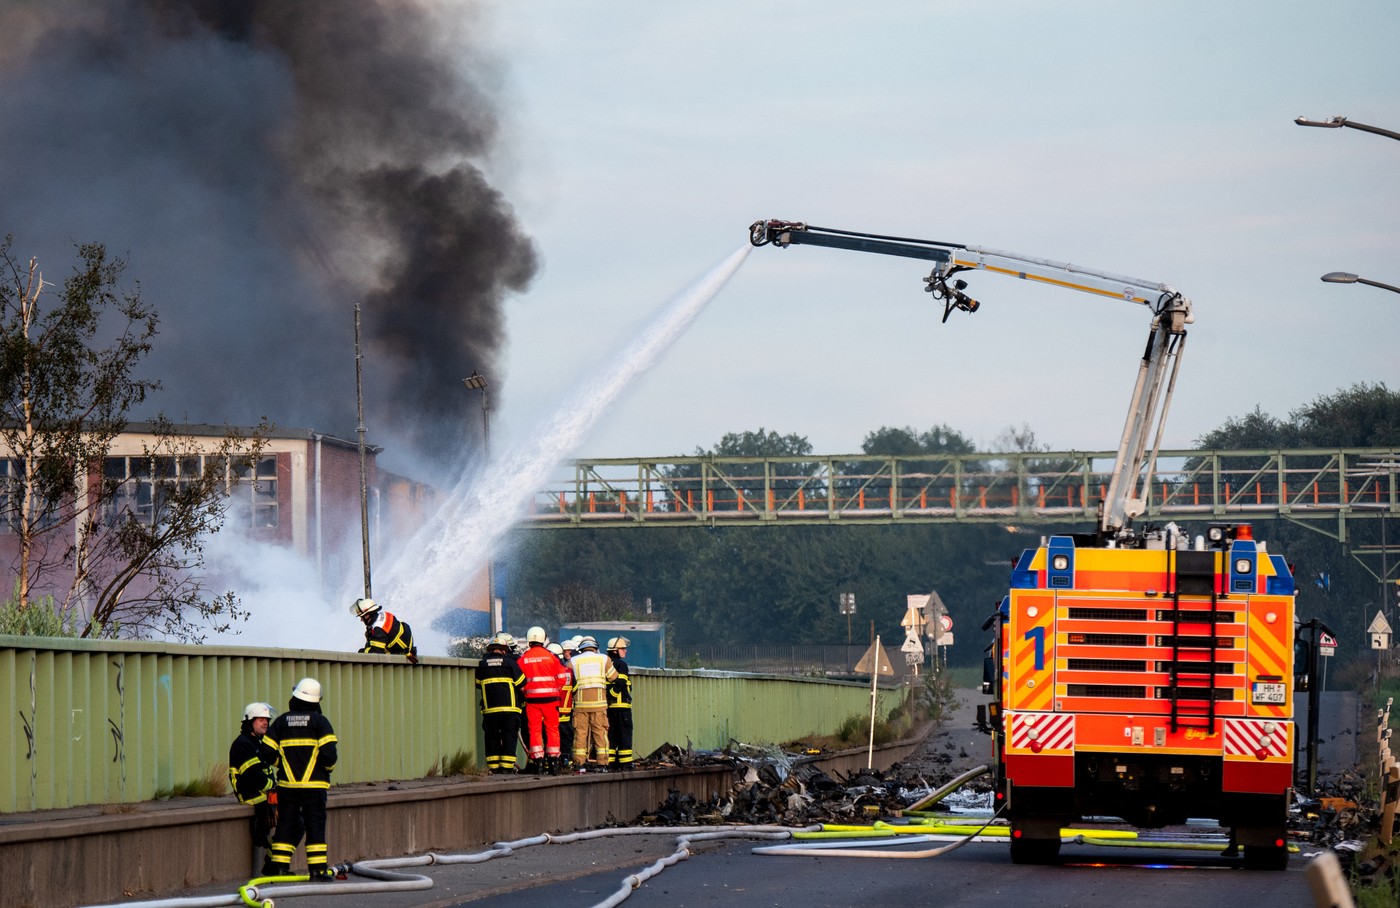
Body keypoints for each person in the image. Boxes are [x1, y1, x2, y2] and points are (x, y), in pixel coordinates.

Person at [262, 678, 338, 881]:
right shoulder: (321, 723)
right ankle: (317, 870)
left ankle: (279, 868)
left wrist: (282, 763)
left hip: (287, 786)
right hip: (314, 786)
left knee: (286, 825)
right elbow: (329, 755)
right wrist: (326, 769)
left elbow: (267, 752)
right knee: (315, 826)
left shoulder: (281, 722)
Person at [228, 702, 278, 872]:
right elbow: (257, 779)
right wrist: (277, 789)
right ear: (250, 721)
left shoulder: (258, 743)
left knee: (295, 821)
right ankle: (272, 862)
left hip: (263, 795)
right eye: (261, 719)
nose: (266, 723)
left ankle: (274, 861)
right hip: (251, 795)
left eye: (267, 720)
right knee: (291, 820)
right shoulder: (243, 744)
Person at [475, 632, 525, 773]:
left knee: (492, 736)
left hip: (490, 709)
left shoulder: (482, 665)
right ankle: (507, 768)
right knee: (509, 736)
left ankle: (494, 767)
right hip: (510, 709)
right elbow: (522, 683)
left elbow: (478, 684)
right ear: (504, 650)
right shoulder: (510, 663)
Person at [518, 626, 564, 775]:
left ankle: (538, 761)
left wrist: (526, 690)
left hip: (532, 701)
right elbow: (562, 678)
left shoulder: (523, 659)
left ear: (529, 640)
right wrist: (555, 689)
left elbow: (519, 680)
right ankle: (553, 762)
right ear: (543, 639)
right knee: (552, 729)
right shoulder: (551, 657)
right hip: (551, 700)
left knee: (535, 730)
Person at [568, 636, 617, 772]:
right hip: (599, 705)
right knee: (600, 734)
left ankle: (579, 764)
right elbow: (613, 677)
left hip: (580, 705)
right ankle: (602, 764)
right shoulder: (604, 659)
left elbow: (568, 680)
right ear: (595, 647)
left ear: (581, 649)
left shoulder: (573, 661)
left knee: (580, 734)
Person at [352, 597, 418, 663]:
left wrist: (362, 651)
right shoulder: (384, 614)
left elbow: (376, 653)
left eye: (361, 617)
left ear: (367, 615)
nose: (361, 620)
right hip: (407, 642)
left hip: (401, 651)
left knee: (362, 652)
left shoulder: (379, 629)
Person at [606, 636, 635, 771]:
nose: (625, 651)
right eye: (622, 649)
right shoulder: (621, 664)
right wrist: (612, 694)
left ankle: (611, 764)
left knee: (611, 736)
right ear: (615, 650)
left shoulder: (607, 663)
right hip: (622, 708)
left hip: (610, 709)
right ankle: (626, 764)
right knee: (624, 736)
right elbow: (621, 682)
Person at [549, 641, 575, 772]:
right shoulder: (569, 672)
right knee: (566, 740)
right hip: (566, 713)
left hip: (552, 713)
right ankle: (566, 763)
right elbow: (574, 688)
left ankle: (552, 763)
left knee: (551, 739)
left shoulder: (549, 672)